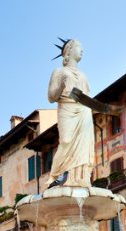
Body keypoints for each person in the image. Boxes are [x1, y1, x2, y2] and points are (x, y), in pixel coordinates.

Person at [47, 39, 95, 188]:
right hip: (67, 108)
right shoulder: (59, 72)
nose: (82, 50)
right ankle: (54, 176)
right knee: (66, 141)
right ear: (68, 50)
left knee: (84, 145)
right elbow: (51, 97)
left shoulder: (84, 75)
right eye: (79, 47)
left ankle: (80, 177)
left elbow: (87, 96)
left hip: (83, 110)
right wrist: (61, 85)